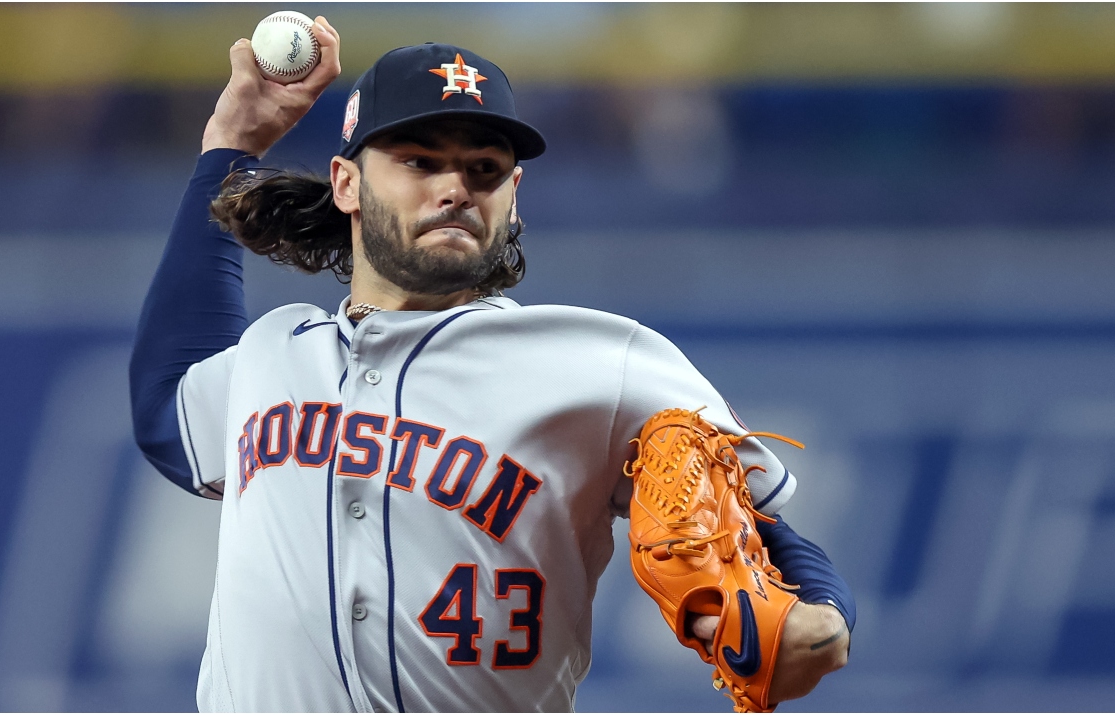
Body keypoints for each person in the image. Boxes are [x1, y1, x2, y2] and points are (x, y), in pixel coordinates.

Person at [130, 19, 854, 712]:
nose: (455, 188)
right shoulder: (272, 354)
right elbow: (169, 405)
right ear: (346, 184)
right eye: (419, 161)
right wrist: (229, 145)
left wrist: (822, 621)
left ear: (512, 199)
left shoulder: (600, 365)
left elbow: (767, 532)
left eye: (484, 169)